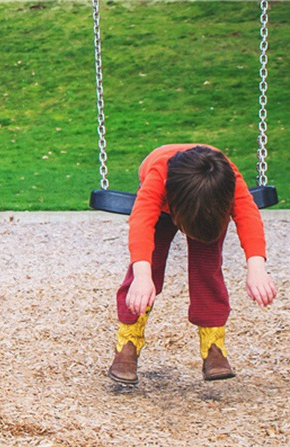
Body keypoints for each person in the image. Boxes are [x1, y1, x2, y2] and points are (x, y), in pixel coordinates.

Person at [108, 144, 277, 384]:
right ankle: (128, 341)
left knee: (207, 269)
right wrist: (142, 277)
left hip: (208, 204)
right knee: (147, 269)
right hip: (166, 206)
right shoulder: (159, 177)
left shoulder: (227, 179)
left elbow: (248, 216)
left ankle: (213, 346)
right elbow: (141, 223)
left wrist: (257, 269)